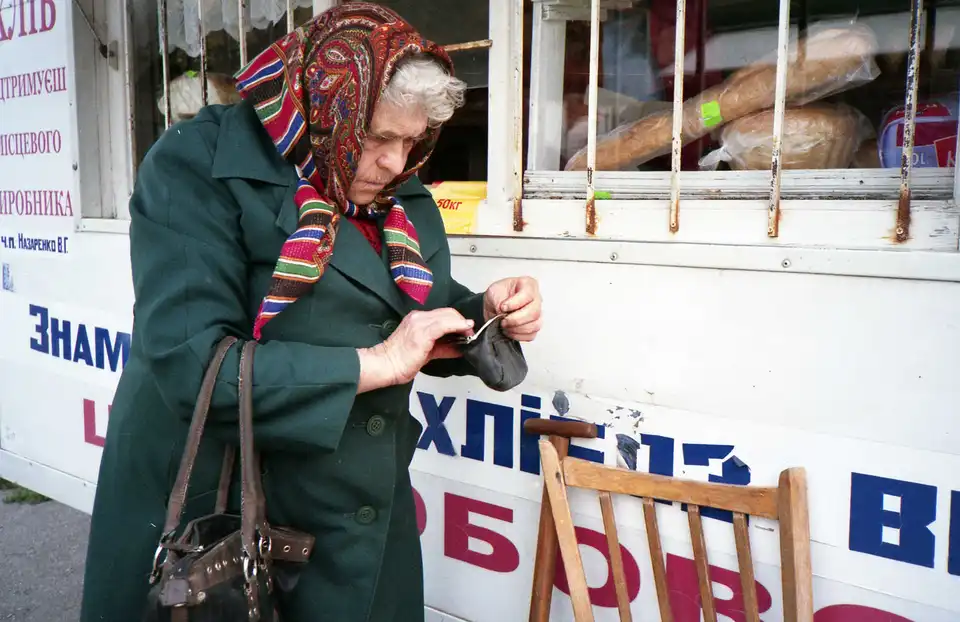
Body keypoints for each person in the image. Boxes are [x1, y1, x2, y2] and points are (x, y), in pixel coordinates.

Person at [79, 3, 543, 621]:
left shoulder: (396, 197)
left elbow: (408, 304)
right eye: (378, 138)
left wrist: (481, 312)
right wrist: (375, 364)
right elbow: (193, 367)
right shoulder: (196, 164)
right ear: (328, 108)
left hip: (361, 516)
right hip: (226, 513)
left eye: (411, 140)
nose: (397, 163)